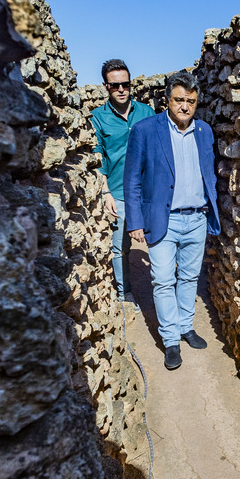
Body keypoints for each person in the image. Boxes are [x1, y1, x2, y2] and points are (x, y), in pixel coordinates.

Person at [124, 71, 220, 369]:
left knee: (189, 277)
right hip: (163, 219)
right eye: (179, 100)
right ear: (168, 100)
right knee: (163, 279)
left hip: (196, 219)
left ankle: (185, 326)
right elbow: (132, 180)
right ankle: (170, 341)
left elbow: (209, 173)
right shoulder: (145, 130)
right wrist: (135, 222)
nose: (185, 107)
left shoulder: (204, 131)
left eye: (190, 101)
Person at [91, 58, 155, 308]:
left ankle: (162, 292)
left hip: (148, 191)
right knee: (121, 247)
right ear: (105, 86)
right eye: (115, 85)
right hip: (118, 191)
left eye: (125, 84)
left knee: (160, 240)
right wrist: (105, 191)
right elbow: (99, 156)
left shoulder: (147, 113)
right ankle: (124, 293)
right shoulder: (97, 117)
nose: (121, 89)